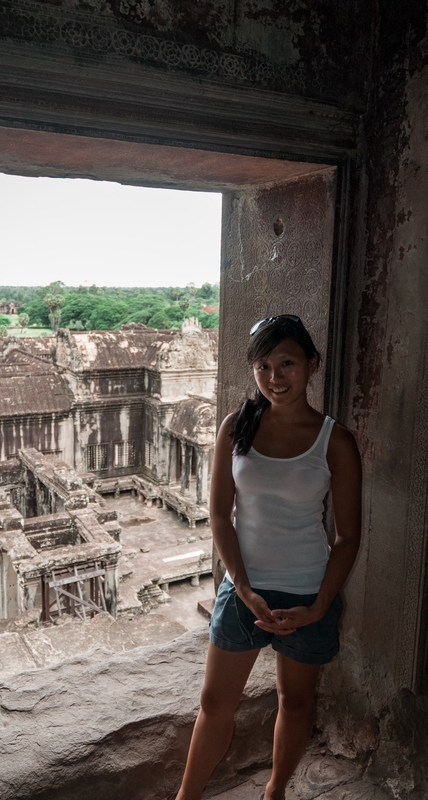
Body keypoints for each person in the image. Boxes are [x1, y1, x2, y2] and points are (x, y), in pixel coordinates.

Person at [175, 315, 362, 800]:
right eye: (263, 366)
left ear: (311, 365)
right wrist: (241, 586)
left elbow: (347, 537)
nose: (276, 378)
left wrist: (320, 606)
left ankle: (274, 792)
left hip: (307, 589)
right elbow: (219, 514)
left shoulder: (334, 440)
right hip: (244, 587)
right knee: (215, 702)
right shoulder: (236, 427)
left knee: (295, 701)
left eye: (287, 363)